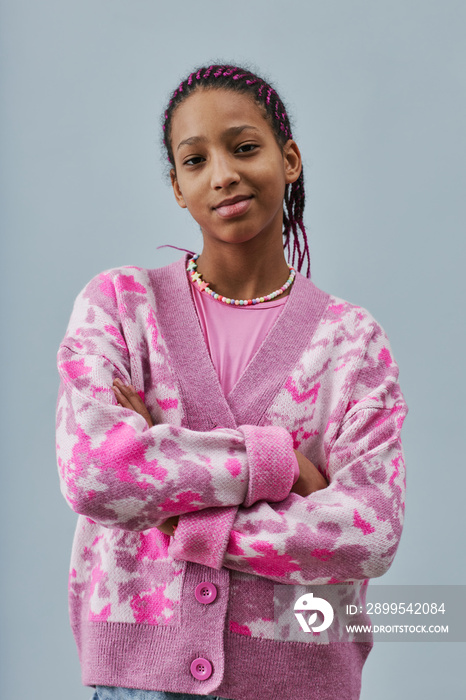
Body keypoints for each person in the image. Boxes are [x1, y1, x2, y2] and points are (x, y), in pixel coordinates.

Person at [56, 64, 408, 700]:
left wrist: (176, 509)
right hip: (139, 682)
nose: (223, 175)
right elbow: (95, 472)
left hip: (301, 682)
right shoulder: (120, 307)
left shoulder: (351, 342)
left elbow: (370, 530)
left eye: (245, 148)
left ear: (289, 159)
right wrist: (280, 465)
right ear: (177, 188)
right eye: (195, 162)